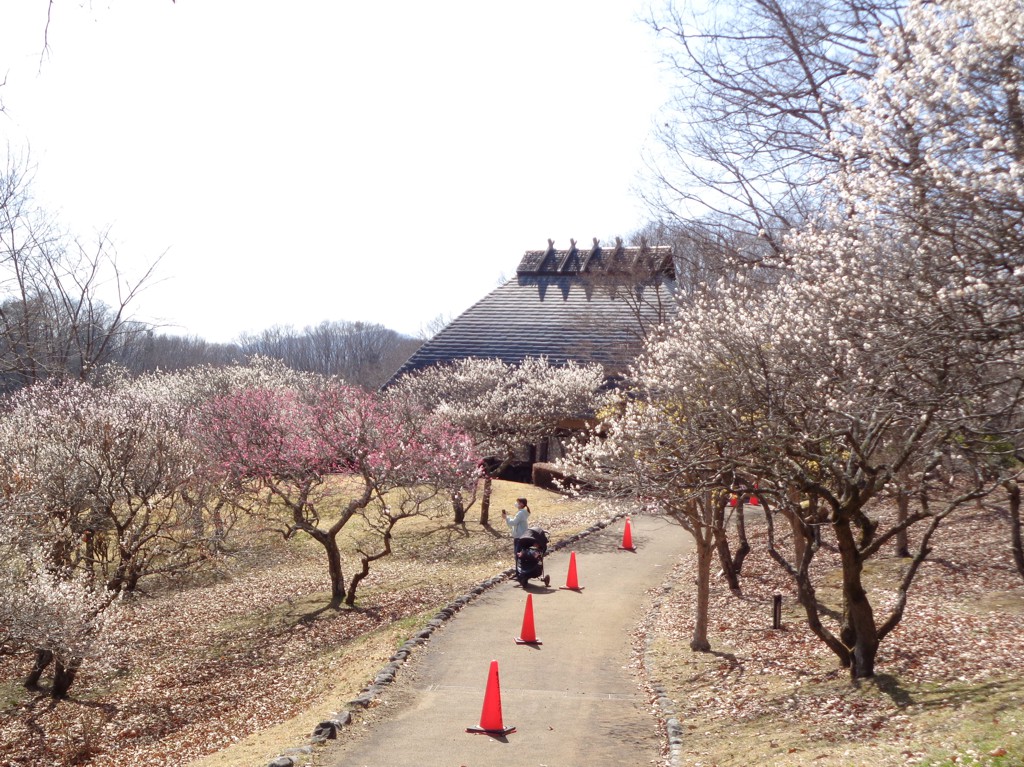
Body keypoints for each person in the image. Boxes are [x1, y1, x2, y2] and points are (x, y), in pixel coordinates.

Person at [501, 498, 531, 574]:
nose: (516, 504)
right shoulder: (523, 513)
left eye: (518, 502)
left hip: (519, 536)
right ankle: (522, 571)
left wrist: (506, 518)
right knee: (522, 553)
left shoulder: (520, 513)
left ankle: (519, 572)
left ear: (522, 504)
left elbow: (513, 523)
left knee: (518, 554)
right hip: (523, 535)